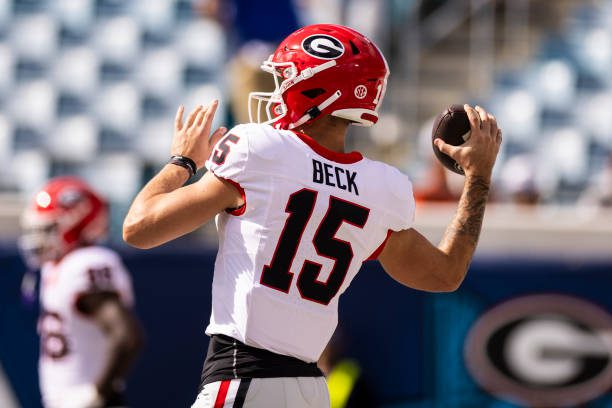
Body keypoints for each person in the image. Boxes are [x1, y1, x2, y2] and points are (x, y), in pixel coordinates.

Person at [123, 24, 501, 408]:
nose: (279, 90)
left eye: (286, 78)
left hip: (244, 377)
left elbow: (139, 228)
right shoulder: (380, 187)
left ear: (319, 88)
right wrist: (478, 178)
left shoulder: (258, 150)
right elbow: (446, 274)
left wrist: (183, 160)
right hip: (312, 390)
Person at [20, 177, 143, 408]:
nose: (38, 238)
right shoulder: (56, 266)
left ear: (78, 224)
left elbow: (126, 336)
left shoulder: (86, 263)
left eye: (48, 228)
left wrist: (95, 393)